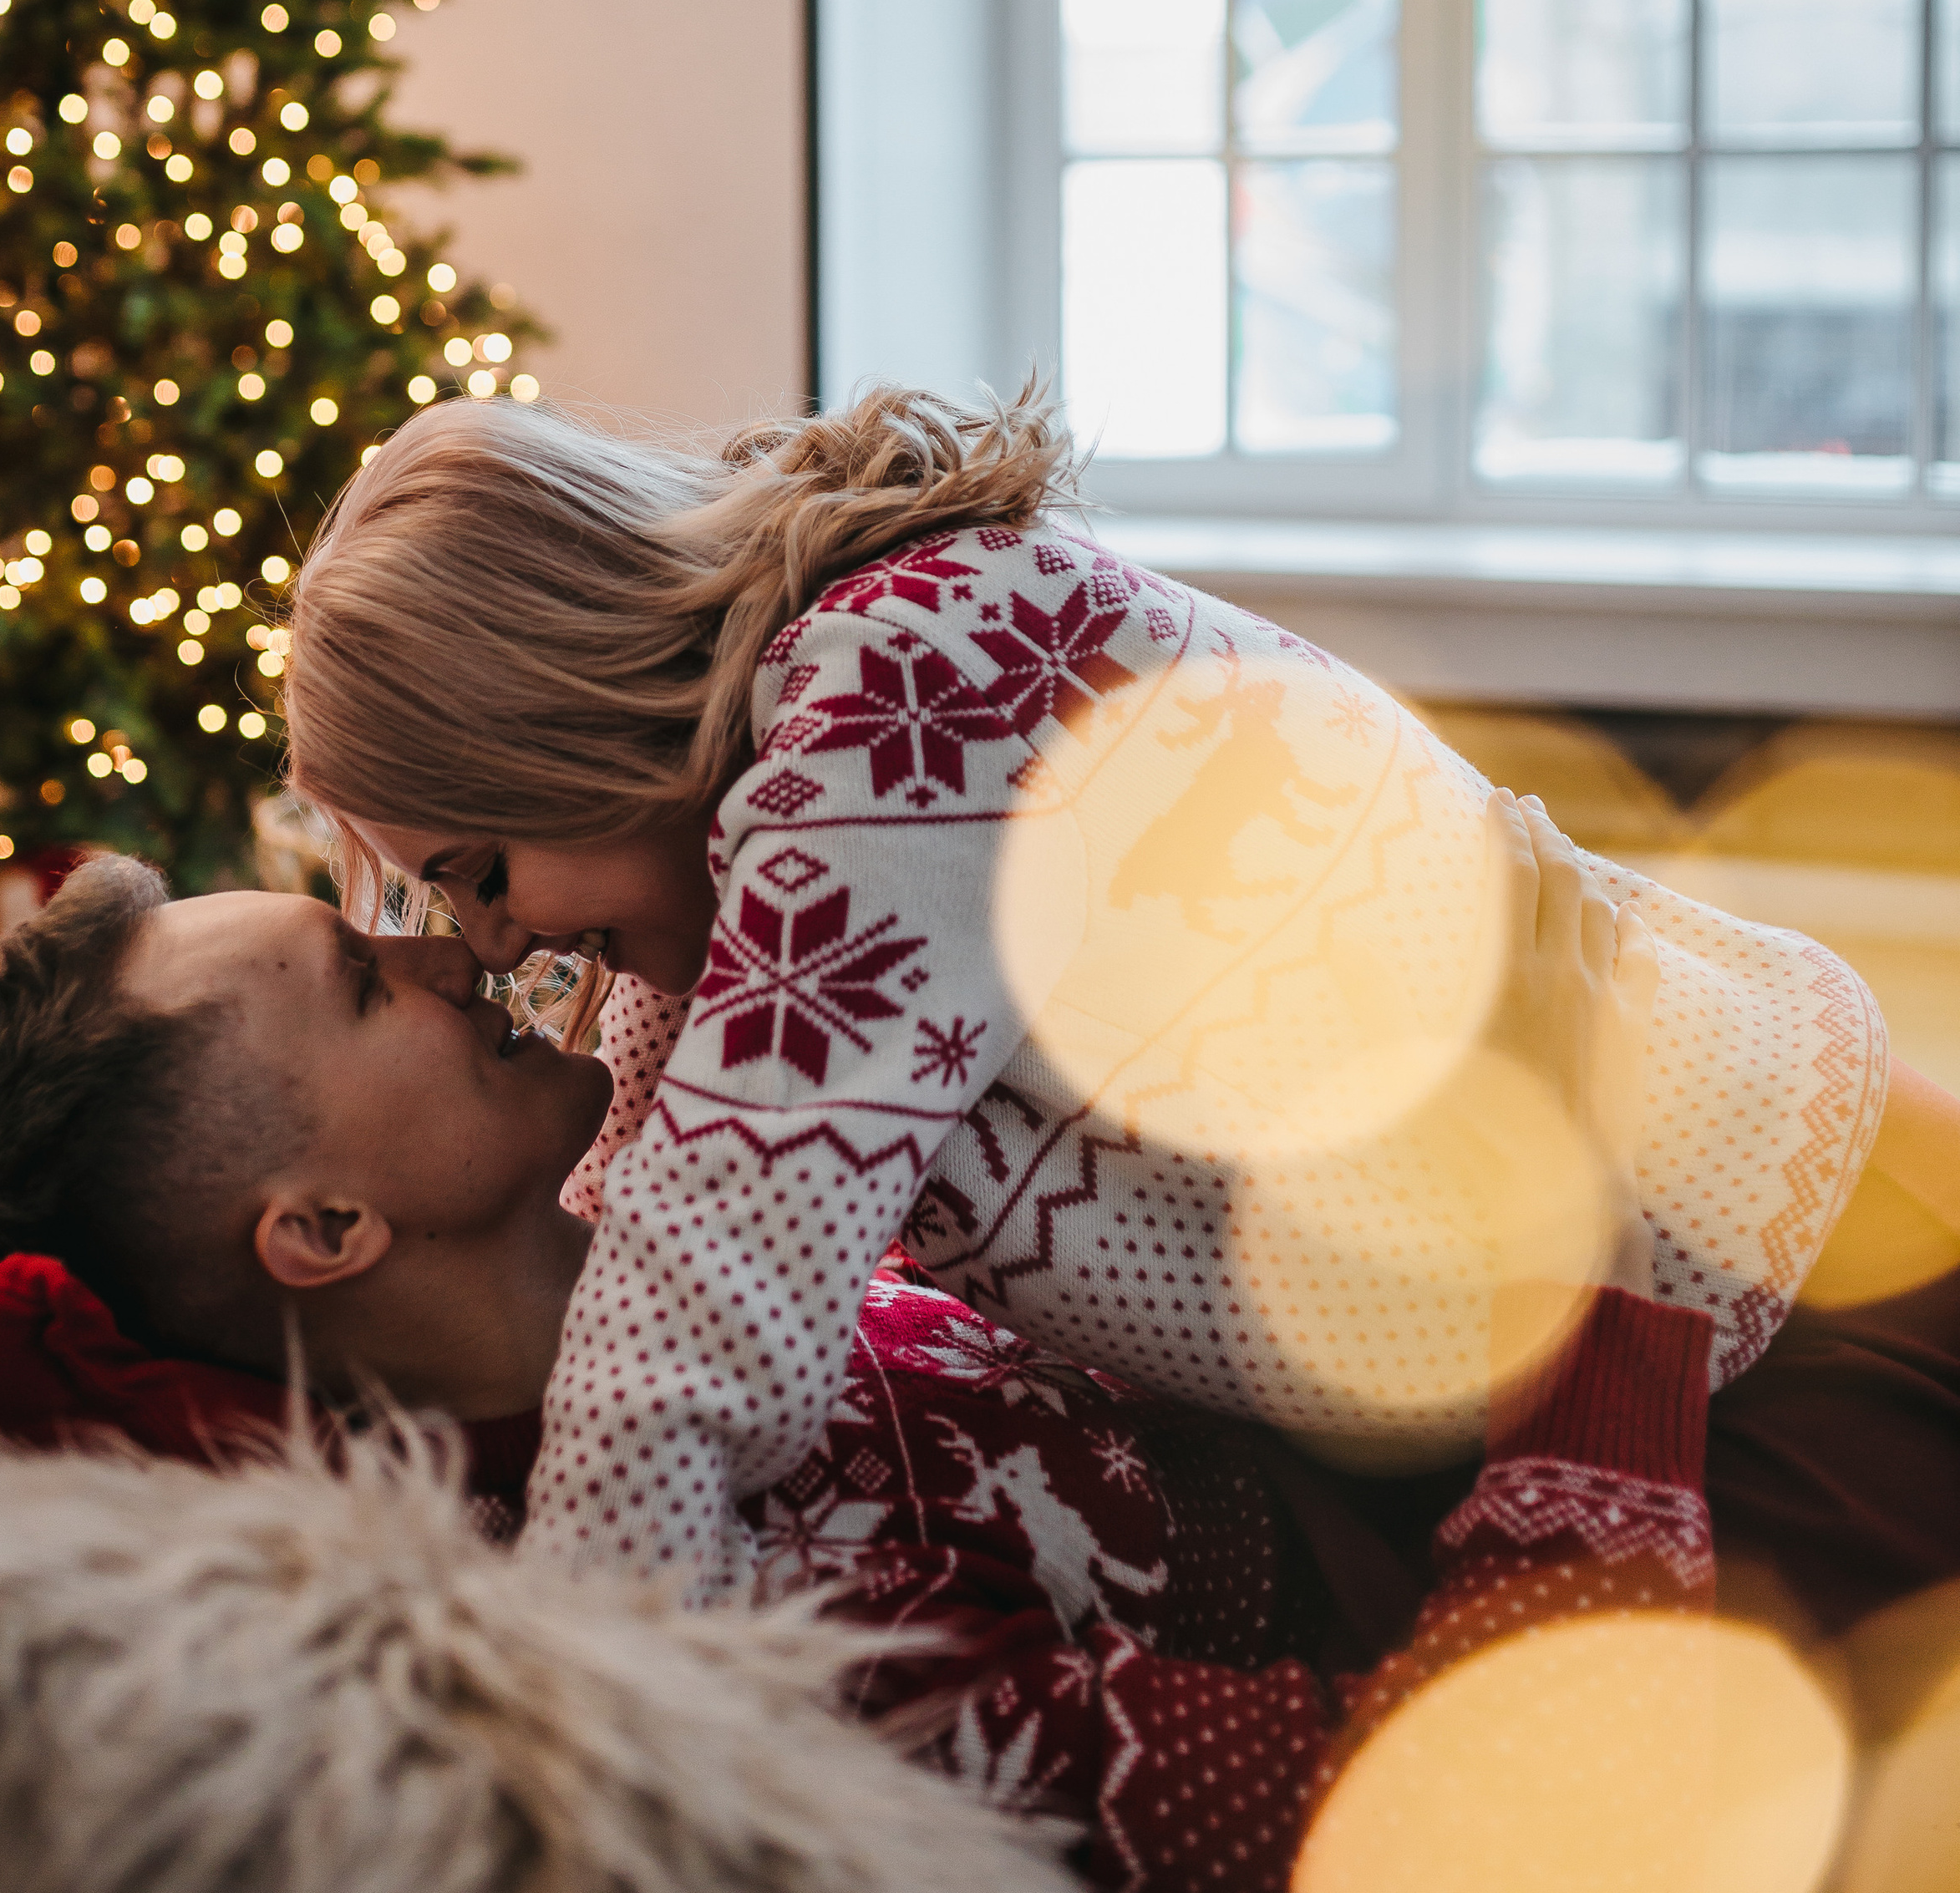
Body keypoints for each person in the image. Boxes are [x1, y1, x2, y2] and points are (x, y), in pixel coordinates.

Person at [0, 809, 1733, 1893]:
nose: (450, 959)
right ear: (322, 1232)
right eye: (360, 984)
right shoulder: (754, 1631)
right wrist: (1606, 1308)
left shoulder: (701, 1203)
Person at [277, 387, 1942, 1601]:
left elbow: (702, 1282)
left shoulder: (909, 687)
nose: (491, 950)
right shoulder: (731, 874)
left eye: (481, 871)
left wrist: (554, 1699)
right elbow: (629, 1204)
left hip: (1777, 1271)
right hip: (1571, 1340)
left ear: (571, 723)